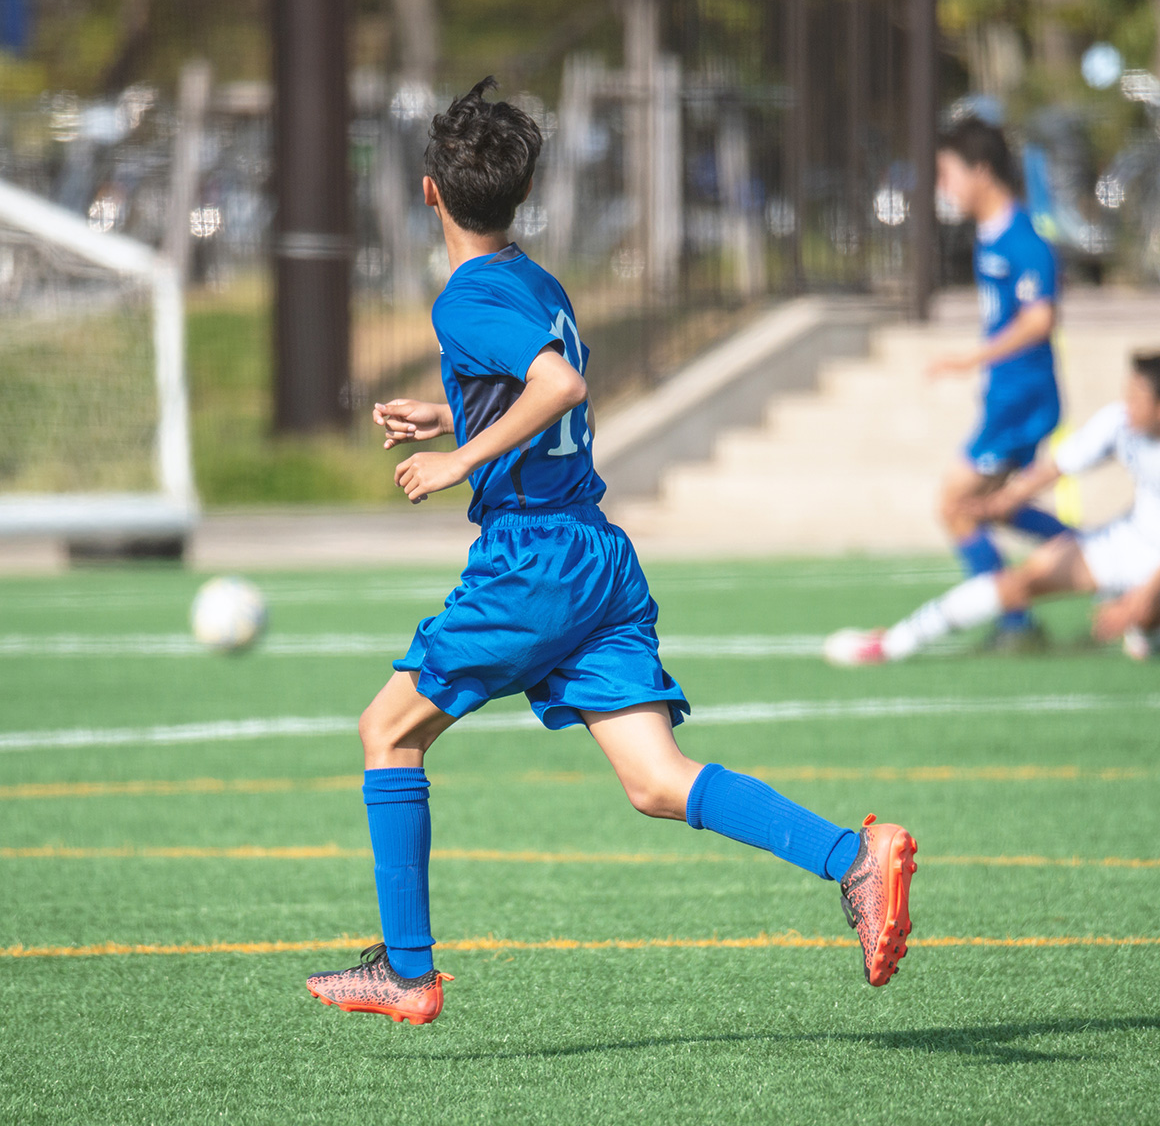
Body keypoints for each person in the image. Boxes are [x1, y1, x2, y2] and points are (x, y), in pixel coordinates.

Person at [304, 78, 917, 1024]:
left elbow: (558, 388)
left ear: (429, 193)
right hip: (597, 557)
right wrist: (452, 412)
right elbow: (537, 391)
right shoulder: (537, 282)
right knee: (657, 781)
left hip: (534, 563)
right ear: (523, 193)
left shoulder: (464, 299)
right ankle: (853, 858)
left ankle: (408, 974)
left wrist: (458, 460)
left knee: (387, 732)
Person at [825, 353, 1160, 666]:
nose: (1127, 406)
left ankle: (1145, 625)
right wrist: (999, 502)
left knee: (1146, 617)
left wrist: (1142, 599)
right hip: (1130, 539)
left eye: (1136, 399)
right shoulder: (1119, 422)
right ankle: (894, 643)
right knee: (1020, 581)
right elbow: (1055, 467)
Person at [927, 116, 1072, 651]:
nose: (944, 187)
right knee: (998, 507)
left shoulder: (1022, 240)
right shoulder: (989, 235)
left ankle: (1016, 620)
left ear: (981, 171)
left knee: (955, 503)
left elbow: (1040, 319)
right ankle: (1106, 560)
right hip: (1007, 397)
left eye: (948, 173)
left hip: (1021, 400)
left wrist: (972, 357)